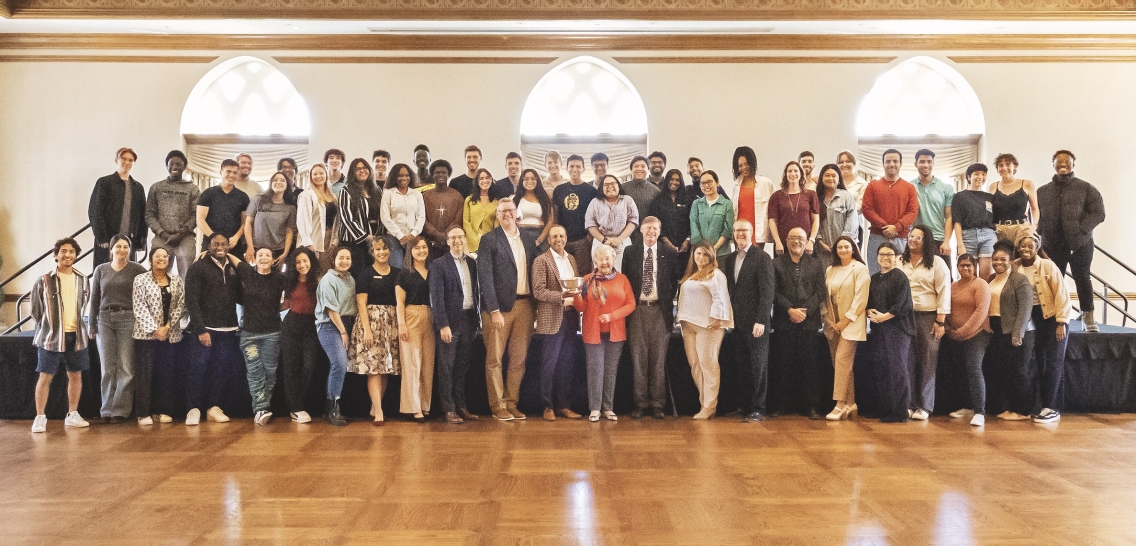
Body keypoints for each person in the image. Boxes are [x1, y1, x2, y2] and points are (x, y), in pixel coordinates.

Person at [477, 199, 539, 421]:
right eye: (503, 211)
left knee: (519, 359)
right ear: (497, 214)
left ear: (517, 213)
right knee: (495, 359)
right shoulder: (489, 240)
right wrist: (493, 309)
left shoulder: (529, 240)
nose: (507, 214)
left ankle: (512, 402)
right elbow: (485, 278)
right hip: (499, 309)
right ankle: (497, 406)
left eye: (511, 210)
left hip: (525, 305)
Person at [1036, 150, 1106, 332]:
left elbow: (1099, 213)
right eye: (1059, 162)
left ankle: (1088, 316)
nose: (1063, 164)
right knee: (1053, 281)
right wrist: (1038, 240)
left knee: (1083, 278)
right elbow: (1038, 218)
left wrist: (1082, 230)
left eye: (1067, 161)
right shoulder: (1042, 191)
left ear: (1073, 164)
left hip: (1080, 244)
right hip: (1051, 245)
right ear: (1053, 165)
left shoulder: (1086, 188)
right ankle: (1055, 318)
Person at [30, 238, 92, 433]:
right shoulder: (44, 280)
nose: (67, 255)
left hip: (77, 335)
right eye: (63, 251)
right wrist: (51, 327)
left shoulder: (83, 278)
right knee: (45, 376)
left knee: (75, 375)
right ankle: (40, 417)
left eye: (71, 251)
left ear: (76, 254)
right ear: (56, 254)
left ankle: (72, 414)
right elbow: (36, 310)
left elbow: (84, 303)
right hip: (51, 337)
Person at [622, 216, 681, 420]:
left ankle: (657, 404)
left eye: (655, 229)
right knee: (638, 359)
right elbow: (625, 281)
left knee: (658, 360)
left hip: (660, 312)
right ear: (641, 230)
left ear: (659, 230)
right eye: (648, 229)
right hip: (637, 310)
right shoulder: (630, 252)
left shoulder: (669, 253)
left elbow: (674, 282)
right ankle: (640, 403)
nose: (651, 232)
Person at [183, 233, 241, 426]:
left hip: (228, 328)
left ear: (228, 246)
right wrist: (201, 329)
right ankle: (193, 409)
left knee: (220, 369)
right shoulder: (197, 267)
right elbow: (191, 300)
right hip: (205, 329)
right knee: (198, 369)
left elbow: (241, 296)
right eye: (216, 244)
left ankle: (213, 407)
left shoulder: (233, 268)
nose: (220, 247)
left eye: (224, 244)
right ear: (208, 245)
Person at [770, 227, 827, 419]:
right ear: (786, 241)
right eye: (793, 238)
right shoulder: (775, 263)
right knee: (782, 365)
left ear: (806, 242)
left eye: (800, 238)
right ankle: (780, 405)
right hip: (783, 320)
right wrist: (789, 310)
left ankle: (811, 406)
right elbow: (774, 291)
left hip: (808, 322)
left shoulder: (816, 264)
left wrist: (805, 311)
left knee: (810, 367)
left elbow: (820, 292)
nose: (796, 241)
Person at [89, 233, 147, 422]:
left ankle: (121, 410)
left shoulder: (137, 269)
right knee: (107, 367)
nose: (122, 250)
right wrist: (91, 324)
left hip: (128, 318)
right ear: (111, 249)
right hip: (104, 319)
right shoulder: (101, 270)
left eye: (126, 247)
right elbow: (94, 298)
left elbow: (144, 297)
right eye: (118, 246)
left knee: (126, 367)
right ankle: (106, 410)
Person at [720, 220, 774, 421]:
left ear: (752, 232)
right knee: (741, 366)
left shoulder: (762, 257)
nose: (740, 233)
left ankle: (758, 408)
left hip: (756, 324)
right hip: (736, 323)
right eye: (736, 230)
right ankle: (743, 406)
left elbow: (767, 293)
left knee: (757, 367)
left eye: (744, 230)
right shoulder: (729, 259)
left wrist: (761, 320)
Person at [575, 244, 636, 422]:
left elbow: (631, 304)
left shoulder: (623, 279)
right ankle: (594, 408)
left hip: (615, 333)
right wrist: (577, 295)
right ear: (595, 262)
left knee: (610, 371)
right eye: (600, 259)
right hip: (592, 332)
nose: (604, 262)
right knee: (595, 370)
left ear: (613, 260)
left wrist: (611, 316)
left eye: (607, 258)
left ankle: (608, 408)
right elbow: (581, 307)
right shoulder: (587, 280)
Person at [1016, 234, 1072, 424]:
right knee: (1039, 361)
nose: (1026, 249)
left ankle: (1052, 407)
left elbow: (1062, 295)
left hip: (1051, 317)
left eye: (1030, 246)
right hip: (1030, 319)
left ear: (1037, 247)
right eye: (1023, 246)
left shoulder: (1048, 266)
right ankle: (1040, 405)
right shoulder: (1015, 266)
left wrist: (1061, 322)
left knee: (1053, 363)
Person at [899, 224, 951, 420]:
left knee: (928, 361)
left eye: (918, 237)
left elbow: (945, 291)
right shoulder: (899, 261)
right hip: (904, 318)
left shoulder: (936, 262)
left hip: (929, 317)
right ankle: (910, 404)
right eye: (911, 236)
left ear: (926, 241)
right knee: (907, 361)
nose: (912, 240)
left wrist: (941, 321)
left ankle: (925, 406)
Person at [532, 225, 583, 421]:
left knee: (566, 364)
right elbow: (539, 291)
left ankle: (564, 405)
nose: (558, 239)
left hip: (570, 318)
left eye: (561, 235)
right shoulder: (541, 261)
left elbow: (575, 287)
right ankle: (547, 406)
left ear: (566, 237)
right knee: (549, 364)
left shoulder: (571, 259)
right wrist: (563, 298)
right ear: (548, 240)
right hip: (552, 318)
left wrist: (576, 299)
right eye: (554, 236)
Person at [347, 237, 400, 426]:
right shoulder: (365, 274)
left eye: (385, 249)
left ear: (390, 251)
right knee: (373, 370)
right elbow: (361, 302)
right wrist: (367, 330)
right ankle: (378, 410)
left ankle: (374, 406)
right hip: (370, 323)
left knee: (385, 369)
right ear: (372, 252)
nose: (382, 252)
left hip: (390, 324)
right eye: (377, 249)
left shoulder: (397, 273)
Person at [677, 242, 733, 419]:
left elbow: (720, 297)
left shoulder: (715, 274)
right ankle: (704, 402)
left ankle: (710, 405)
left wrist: (718, 318)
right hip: (688, 325)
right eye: (698, 253)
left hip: (709, 326)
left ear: (711, 257)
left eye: (705, 255)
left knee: (708, 365)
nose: (701, 257)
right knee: (695, 365)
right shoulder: (691, 274)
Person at [430, 228, 480, 424]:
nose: (457, 240)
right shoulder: (439, 264)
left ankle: (461, 406)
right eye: (453, 238)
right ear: (447, 241)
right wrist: (443, 325)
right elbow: (437, 297)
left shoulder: (472, 263)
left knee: (462, 366)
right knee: (447, 366)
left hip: (468, 320)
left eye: (460, 237)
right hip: (449, 322)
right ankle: (448, 408)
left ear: (465, 239)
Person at [132, 246, 185, 425]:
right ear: (151, 259)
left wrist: (167, 327)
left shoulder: (176, 280)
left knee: (166, 374)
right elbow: (139, 307)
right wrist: (156, 329)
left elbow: (180, 305)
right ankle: (144, 413)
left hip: (171, 335)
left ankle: (163, 410)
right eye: (158, 256)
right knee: (145, 375)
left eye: (165, 256)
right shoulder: (140, 280)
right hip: (146, 336)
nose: (162, 259)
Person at [234, 247, 285, 425]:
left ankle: (263, 407)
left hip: (272, 333)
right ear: (255, 258)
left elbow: (291, 295)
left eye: (268, 255)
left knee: (270, 372)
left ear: (273, 260)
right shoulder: (248, 273)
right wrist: (205, 253)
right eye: (260, 255)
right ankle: (260, 409)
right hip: (250, 334)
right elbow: (233, 259)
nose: (264, 258)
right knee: (255, 372)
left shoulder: (280, 278)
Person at [864, 242, 915, 423]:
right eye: (882, 254)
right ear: (876, 257)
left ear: (896, 257)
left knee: (898, 370)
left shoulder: (900, 277)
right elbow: (868, 302)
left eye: (889, 254)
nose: (885, 258)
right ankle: (885, 408)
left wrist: (884, 317)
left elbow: (903, 304)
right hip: (879, 329)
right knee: (882, 369)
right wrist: (870, 313)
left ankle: (900, 412)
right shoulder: (875, 278)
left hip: (898, 330)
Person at [986, 240, 1035, 421]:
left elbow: (1025, 308)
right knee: (1001, 370)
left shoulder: (1019, 279)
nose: (998, 263)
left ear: (1011, 260)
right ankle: (1002, 407)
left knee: (1018, 371)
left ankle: (1022, 411)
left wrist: (1018, 333)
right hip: (997, 329)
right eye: (995, 259)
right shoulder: (991, 279)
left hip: (1018, 331)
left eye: (1003, 259)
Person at [822, 235, 869, 421]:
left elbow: (861, 298)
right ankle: (851, 402)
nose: (843, 250)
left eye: (846, 247)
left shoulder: (860, 268)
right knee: (840, 365)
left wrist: (846, 320)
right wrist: (828, 318)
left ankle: (840, 404)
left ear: (853, 248)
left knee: (842, 361)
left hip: (851, 322)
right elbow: (825, 296)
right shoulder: (830, 269)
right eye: (839, 247)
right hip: (833, 322)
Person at [943, 253, 991, 427]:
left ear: (975, 266)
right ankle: (967, 406)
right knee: (960, 371)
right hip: (955, 335)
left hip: (977, 334)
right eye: (962, 265)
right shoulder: (953, 286)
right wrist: (949, 329)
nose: (965, 268)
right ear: (957, 267)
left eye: (969, 265)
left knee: (973, 369)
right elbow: (946, 307)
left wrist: (962, 331)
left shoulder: (981, 285)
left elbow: (981, 312)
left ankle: (980, 412)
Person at [316, 247, 357, 426]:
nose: (345, 261)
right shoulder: (328, 279)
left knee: (344, 366)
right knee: (339, 363)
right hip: (330, 326)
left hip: (347, 324)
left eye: (348, 258)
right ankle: (332, 408)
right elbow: (332, 310)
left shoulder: (350, 279)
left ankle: (329, 408)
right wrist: (343, 332)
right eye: (341, 258)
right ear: (334, 260)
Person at [396, 236, 435, 422]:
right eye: (417, 248)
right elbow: (399, 302)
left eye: (424, 247)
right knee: (412, 363)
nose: (421, 250)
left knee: (428, 363)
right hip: (411, 316)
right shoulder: (404, 273)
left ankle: (425, 405)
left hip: (431, 317)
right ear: (410, 251)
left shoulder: (433, 270)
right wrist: (401, 324)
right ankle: (413, 407)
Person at [280, 247, 321, 424]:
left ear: (311, 261)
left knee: (309, 365)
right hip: (291, 325)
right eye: (298, 262)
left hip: (312, 325)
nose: (302, 265)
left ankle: (299, 402)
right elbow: (284, 304)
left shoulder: (319, 280)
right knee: (291, 368)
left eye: (305, 261)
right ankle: (295, 408)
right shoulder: (289, 281)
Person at [862, 149, 919, 274]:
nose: (891, 164)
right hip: (877, 238)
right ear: (883, 164)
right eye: (888, 161)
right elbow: (867, 209)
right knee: (876, 275)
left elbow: (912, 211)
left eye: (895, 161)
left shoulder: (909, 188)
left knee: (902, 275)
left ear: (900, 163)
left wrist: (897, 227)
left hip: (901, 239)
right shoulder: (872, 186)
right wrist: (885, 227)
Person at [89, 147, 147, 266]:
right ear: (116, 160)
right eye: (124, 159)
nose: (127, 162)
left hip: (129, 241)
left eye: (130, 160)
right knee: (104, 274)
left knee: (127, 274)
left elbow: (142, 215)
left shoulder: (137, 187)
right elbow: (95, 210)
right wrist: (102, 237)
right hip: (108, 240)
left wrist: (141, 241)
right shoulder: (104, 183)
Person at [146, 150, 199, 276]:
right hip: (161, 238)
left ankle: (185, 296)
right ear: (167, 166)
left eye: (178, 164)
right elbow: (149, 215)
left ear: (184, 167)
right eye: (172, 164)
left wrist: (180, 234)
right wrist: (163, 234)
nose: (175, 167)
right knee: (157, 275)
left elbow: (195, 215)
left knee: (187, 275)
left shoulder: (193, 189)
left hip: (185, 238)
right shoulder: (156, 187)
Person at [554, 155, 600, 274]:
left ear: (584, 169)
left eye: (578, 166)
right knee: (562, 273)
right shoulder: (559, 190)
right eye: (572, 166)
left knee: (582, 275)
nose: (575, 169)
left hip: (582, 240)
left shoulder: (591, 191)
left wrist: (589, 237)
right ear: (567, 168)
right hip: (562, 240)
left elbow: (595, 216)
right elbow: (555, 215)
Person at [585, 174, 639, 272]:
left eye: (613, 183)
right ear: (601, 188)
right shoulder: (595, 202)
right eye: (606, 185)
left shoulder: (627, 200)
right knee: (601, 273)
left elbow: (633, 221)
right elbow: (590, 224)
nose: (610, 186)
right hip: (600, 241)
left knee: (622, 272)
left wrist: (619, 239)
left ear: (619, 185)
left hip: (622, 241)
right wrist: (604, 240)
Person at [197, 159, 250, 257]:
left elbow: (245, 222)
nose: (231, 175)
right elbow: (200, 219)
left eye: (234, 172)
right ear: (221, 172)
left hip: (233, 244)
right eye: (228, 171)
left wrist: (237, 237)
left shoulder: (243, 197)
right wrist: (214, 238)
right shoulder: (208, 193)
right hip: (211, 243)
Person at [340, 158, 384, 275]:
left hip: (375, 240)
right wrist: (366, 237)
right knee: (358, 276)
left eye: (364, 168)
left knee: (374, 275)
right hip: (354, 242)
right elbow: (346, 218)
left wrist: (377, 237)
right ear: (352, 172)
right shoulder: (346, 191)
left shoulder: (377, 190)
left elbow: (383, 215)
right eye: (358, 169)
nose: (362, 171)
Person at [243, 171, 297, 267]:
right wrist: (250, 246)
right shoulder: (258, 199)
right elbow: (248, 223)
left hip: (278, 250)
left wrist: (285, 253)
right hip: (256, 248)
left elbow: (289, 231)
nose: (278, 182)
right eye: (275, 180)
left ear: (287, 185)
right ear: (271, 183)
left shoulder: (290, 207)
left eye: (282, 180)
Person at [952, 163, 997, 278]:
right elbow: (957, 222)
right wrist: (960, 244)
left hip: (988, 236)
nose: (980, 177)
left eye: (983, 174)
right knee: (969, 274)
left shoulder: (990, 197)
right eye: (976, 174)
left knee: (986, 275)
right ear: (968, 177)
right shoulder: (959, 196)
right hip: (968, 236)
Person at [768, 161, 821, 256]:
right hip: (783, 244)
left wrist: (811, 241)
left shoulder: (811, 195)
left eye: (796, 171)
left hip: (806, 243)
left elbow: (816, 220)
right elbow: (772, 221)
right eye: (790, 171)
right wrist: (777, 242)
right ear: (785, 174)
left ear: (801, 174)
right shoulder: (776, 196)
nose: (793, 174)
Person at [380, 163, 426, 269]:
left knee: (413, 269)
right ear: (394, 177)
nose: (404, 178)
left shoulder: (416, 194)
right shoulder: (388, 194)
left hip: (413, 237)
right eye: (400, 175)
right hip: (394, 238)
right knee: (396, 268)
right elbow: (385, 217)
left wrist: (413, 233)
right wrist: (401, 236)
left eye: (407, 175)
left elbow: (421, 217)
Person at [987, 153, 1040, 246]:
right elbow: (989, 211)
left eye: (1008, 164)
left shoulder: (1027, 184)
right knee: (1002, 259)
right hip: (999, 231)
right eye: (1000, 165)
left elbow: (1035, 208)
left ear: (1015, 167)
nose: (1004, 168)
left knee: (1022, 259)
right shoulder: (993, 187)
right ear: (997, 169)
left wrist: (1033, 227)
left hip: (1022, 230)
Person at [729, 146, 775, 250]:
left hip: (758, 231)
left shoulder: (766, 183)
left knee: (755, 262)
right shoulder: (736, 186)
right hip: (740, 231)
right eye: (740, 165)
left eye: (746, 164)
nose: (744, 168)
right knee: (740, 261)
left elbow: (774, 209)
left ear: (752, 162)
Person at [297, 163, 340, 271]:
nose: (318, 176)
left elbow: (338, 221)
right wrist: (308, 243)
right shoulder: (307, 195)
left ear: (326, 175)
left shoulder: (333, 196)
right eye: (314, 174)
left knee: (328, 272)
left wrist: (335, 241)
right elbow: (302, 220)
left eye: (321, 173)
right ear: (310, 177)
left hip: (330, 240)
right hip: (314, 239)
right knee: (314, 273)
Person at [912, 149, 954, 256]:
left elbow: (949, 216)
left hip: (938, 239)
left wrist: (946, 242)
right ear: (916, 164)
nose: (926, 165)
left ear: (933, 164)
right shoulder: (909, 187)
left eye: (929, 162)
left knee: (942, 272)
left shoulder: (946, 188)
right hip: (916, 238)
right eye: (922, 161)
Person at [816, 163, 859, 265]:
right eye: (827, 175)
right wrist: (820, 242)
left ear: (839, 179)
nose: (830, 178)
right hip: (823, 251)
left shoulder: (845, 197)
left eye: (833, 175)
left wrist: (841, 243)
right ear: (821, 178)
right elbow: (813, 222)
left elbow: (852, 222)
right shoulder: (816, 198)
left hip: (844, 250)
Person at [423, 159, 465, 261]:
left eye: (444, 173)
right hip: (430, 243)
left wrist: (446, 235)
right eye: (437, 173)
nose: (440, 175)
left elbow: (458, 219)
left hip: (450, 244)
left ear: (448, 175)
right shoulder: (425, 196)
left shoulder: (457, 196)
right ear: (432, 175)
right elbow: (422, 218)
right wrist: (435, 234)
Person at [650, 169, 694, 260]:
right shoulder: (658, 201)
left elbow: (693, 222)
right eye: (671, 179)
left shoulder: (688, 200)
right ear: (666, 181)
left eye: (677, 180)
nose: (674, 182)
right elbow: (654, 223)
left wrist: (687, 240)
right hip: (663, 246)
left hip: (685, 247)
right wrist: (668, 243)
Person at [691, 170, 736, 257]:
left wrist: (713, 249)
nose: (706, 185)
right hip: (701, 255)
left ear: (717, 183)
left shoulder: (727, 204)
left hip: (722, 254)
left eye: (709, 182)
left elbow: (728, 230)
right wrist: (703, 250)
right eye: (703, 183)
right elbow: (694, 227)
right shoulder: (696, 204)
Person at [514, 168, 556, 250]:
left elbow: (550, 220)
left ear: (538, 181)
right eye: (526, 179)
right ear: (521, 181)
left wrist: (540, 239)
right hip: (520, 235)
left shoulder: (544, 198)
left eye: (533, 179)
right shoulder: (515, 199)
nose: (529, 181)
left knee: (540, 262)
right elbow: (511, 219)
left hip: (540, 234)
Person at [622, 156, 661, 237]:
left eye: (643, 166)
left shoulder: (656, 191)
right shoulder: (622, 188)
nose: (639, 169)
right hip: (625, 234)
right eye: (636, 166)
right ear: (631, 169)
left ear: (648, 169)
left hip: (648, 234)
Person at [463, 168, 499, 254]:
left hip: (489, 244)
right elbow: (466, 223)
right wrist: (475, 242)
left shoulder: (497, 202)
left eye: (487, 178)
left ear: (491, 180)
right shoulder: (469, 200)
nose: (484, 181)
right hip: (470, 244)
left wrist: (489, 242)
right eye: (481, 178)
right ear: (477, 181)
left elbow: (496, 226)